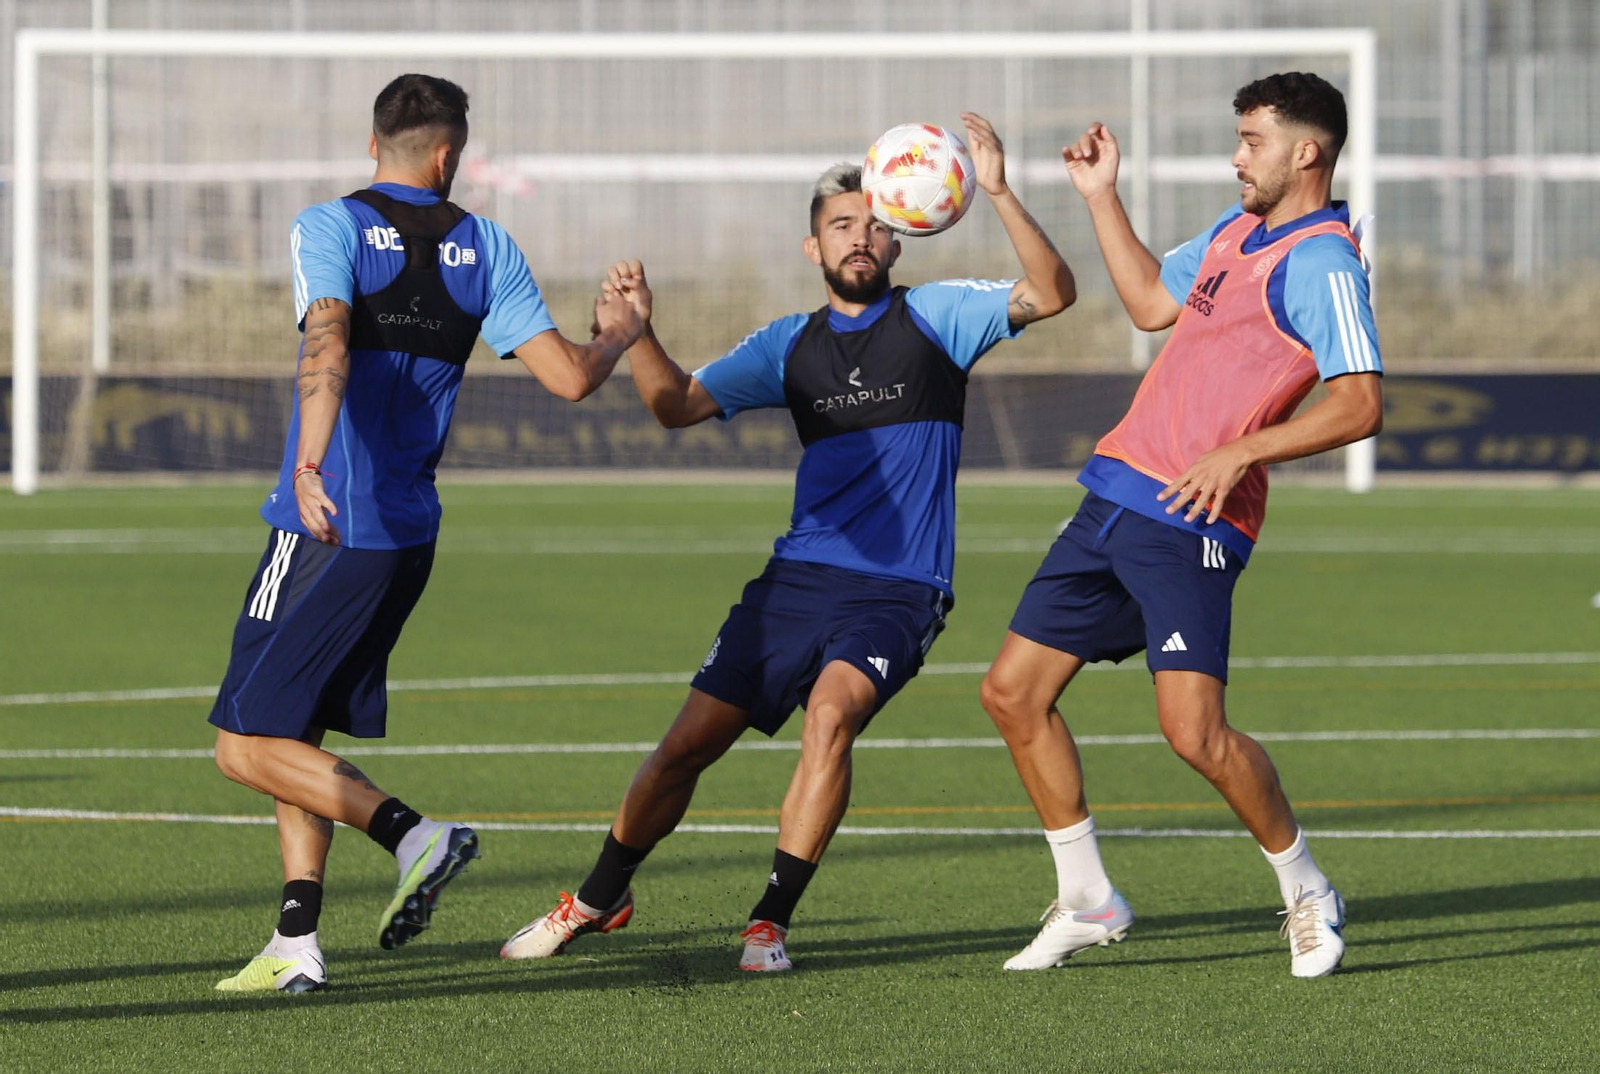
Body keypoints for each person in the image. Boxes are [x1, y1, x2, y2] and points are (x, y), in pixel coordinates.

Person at [502, 114, 1075, 972]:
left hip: (898, 589)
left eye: (878, 225)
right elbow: (675, 406)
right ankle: (596, 897)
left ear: (902, 241)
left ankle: (769, 920)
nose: (862, 238)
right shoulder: (787, 346)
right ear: (813, 248)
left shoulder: (941, 319)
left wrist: (994, 188)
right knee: (685, 748)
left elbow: (1054, 291)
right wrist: (638, 331)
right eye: (843, 225)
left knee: (832, 717)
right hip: (795, 582)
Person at [209, 73, 642, 993]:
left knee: (243, 744)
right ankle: (295, 941)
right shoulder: (487, 245)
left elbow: (326, 340)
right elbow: (569, 378)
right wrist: (618, 335)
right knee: (298, 730)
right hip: (405, 532)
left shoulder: (327, 226)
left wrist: (307, 465)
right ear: (450, 157)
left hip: (321, 525)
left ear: (378, 146)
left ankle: (417, 835)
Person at [980, 72, 1382, 978]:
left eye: (1253, 141)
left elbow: (1359, 403)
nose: (1237, 157)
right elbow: (1152, 305)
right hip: (1116, 494)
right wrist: (1101, 198)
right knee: (1011, 693)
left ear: (1305, 152)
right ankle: (1089, 900)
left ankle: (1306, 890)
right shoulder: (1236, 231)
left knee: (1194, 733)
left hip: (1195, 519)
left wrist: (1244, 452)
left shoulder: (1322, 261)